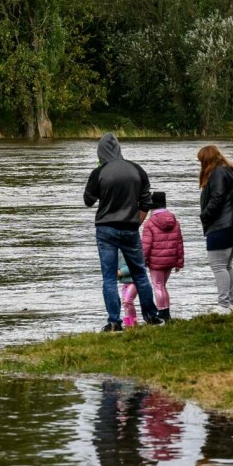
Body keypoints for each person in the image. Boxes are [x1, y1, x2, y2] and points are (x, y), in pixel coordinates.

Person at [84, 132, 164, 332]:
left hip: (106, 229)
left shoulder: (99, 172)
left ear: (100, 152)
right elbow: (146, 202)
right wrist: (136, 223)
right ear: (119, 150)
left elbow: (88, 201)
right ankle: (151, 316)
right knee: (140, 273)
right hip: (130, 228)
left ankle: (114, 321)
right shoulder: (137, 170)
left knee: (109, 277)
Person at [197, 145, 233, 313]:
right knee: (227, 266)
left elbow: (217, 198)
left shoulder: (217, 173)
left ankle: (223, 305)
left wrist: (205, 215)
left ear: (207, 160)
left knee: (218, 266)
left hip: (220, 226)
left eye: (201, 161)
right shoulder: (232, 171)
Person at [141, 191, 184, 321]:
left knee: (158, 285)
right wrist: (179, 261)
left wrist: (142, 260)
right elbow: (179, 242)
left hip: (156, 261)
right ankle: (166, 312)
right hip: (171, 259)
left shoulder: (150, 223)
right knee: (163, 286)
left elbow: (146, 245)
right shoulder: (174, 220)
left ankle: (162, 311)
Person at [118, 251, 139, 327]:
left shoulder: (132, 249)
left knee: (127, 301)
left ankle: (134, 324)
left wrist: (121, 272)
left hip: (134, 282)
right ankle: (128, 325)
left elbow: (135, 265)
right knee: (125, 303)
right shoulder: (117, 251)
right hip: (125, 283)